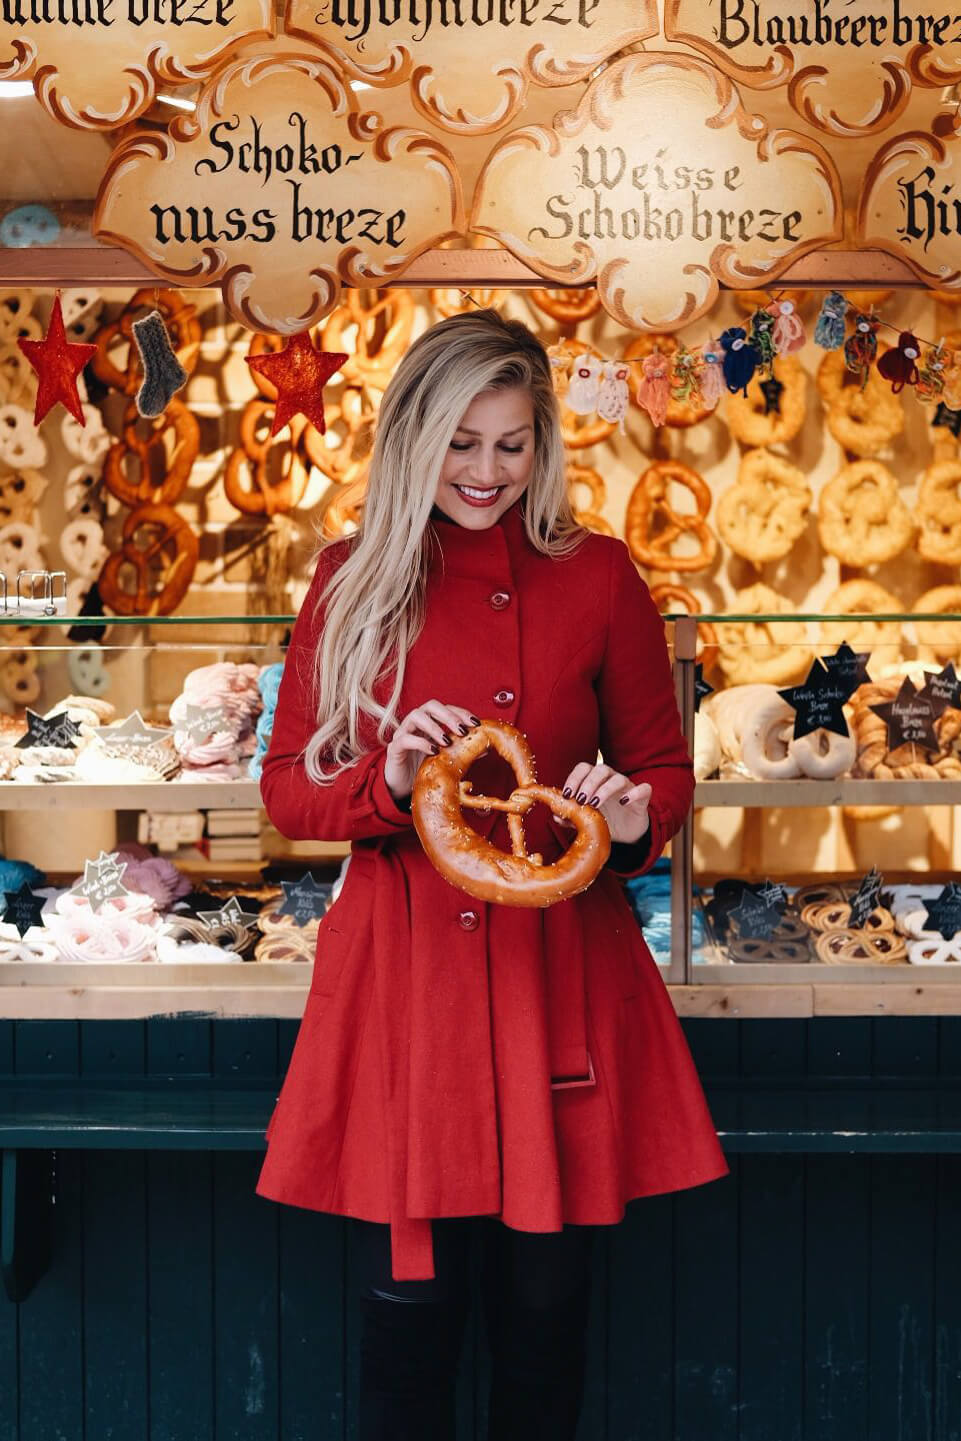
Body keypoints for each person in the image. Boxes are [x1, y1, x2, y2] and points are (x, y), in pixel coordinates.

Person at [255, 308, 730, 1440]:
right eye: (462, 442)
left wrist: (624, 818)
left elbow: (663, 771)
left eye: (511, 443)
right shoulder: (349, 578)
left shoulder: (599, 575)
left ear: (544, 442)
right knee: (406, 1309)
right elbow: (285, 790)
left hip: (555, 961)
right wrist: (387, 778)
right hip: (407, 970)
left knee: (543, 1305)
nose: (486, 472)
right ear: (416, 437)